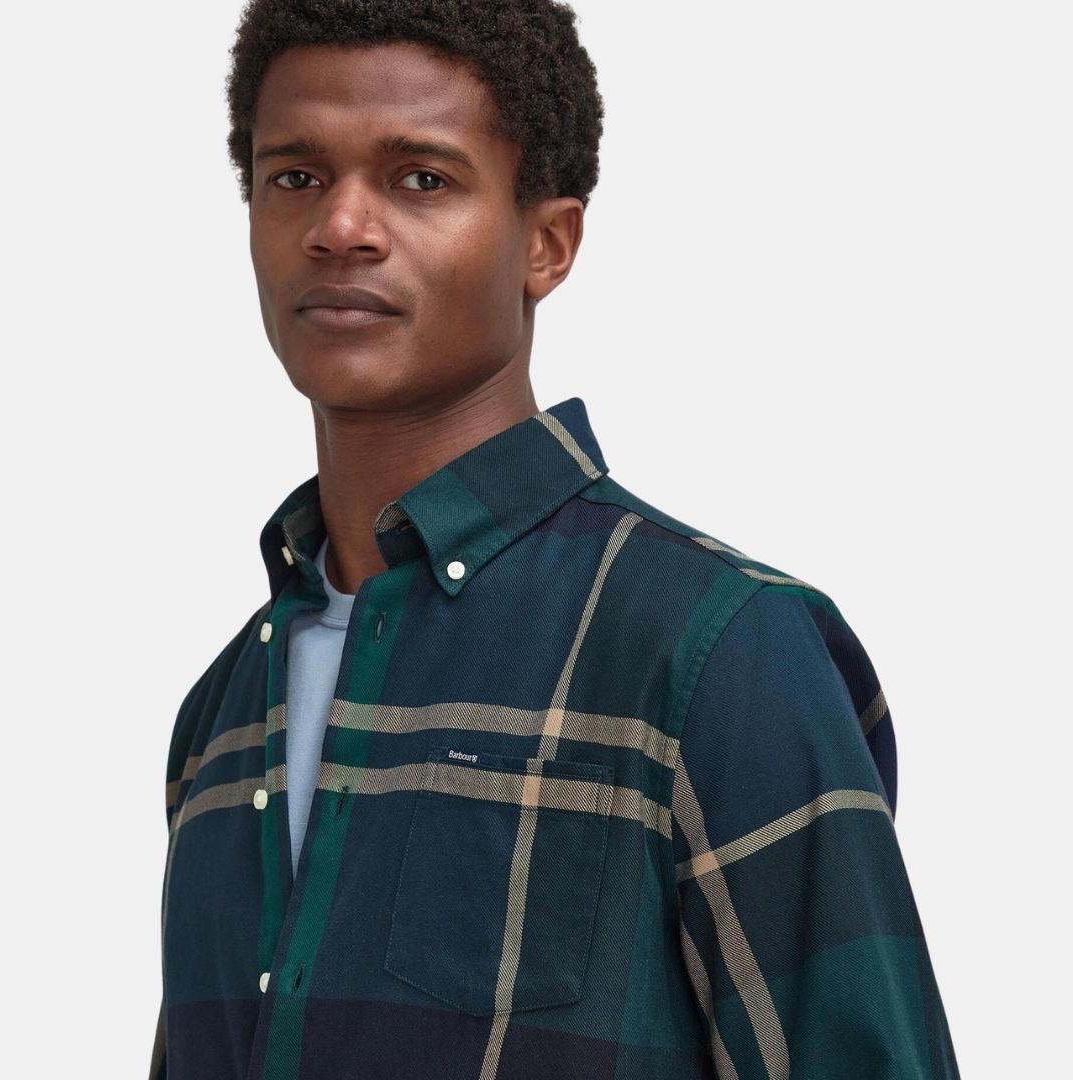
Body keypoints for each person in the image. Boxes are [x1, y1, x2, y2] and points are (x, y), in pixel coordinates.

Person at [152, 2, 961, 1077]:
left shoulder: (719, 651)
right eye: (295, 176)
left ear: (547, 243)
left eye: (420, 178)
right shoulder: (219, 720)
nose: (341, 226)